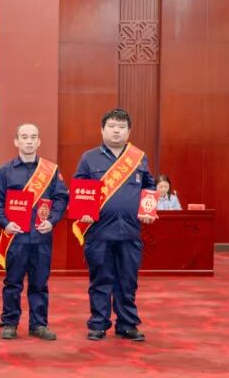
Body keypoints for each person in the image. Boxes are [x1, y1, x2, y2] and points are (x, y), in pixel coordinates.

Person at [73, 107, 157, 342]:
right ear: (102, 130)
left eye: (121, 127)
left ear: (128, 131)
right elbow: (79, 188)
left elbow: (149, 186)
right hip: (99, 232)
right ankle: (98, 324)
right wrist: (82, 212)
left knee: (127, 281)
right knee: (100, 280)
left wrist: (148, 209)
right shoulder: (89, 158)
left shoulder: (139, 158)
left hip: (129, 232)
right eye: (111, 126)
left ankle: (127, 324)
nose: (116, 131)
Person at [0, 123, 69, 341]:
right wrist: (5, 223)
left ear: (39, 141)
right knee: (12, 283)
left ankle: (38, 324)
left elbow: (61, 198)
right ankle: (9, 323)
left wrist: (52, 221)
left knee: (39, 283)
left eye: (33, 137)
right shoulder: (5, 171)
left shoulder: (50, 171)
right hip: (15, 237)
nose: (29, 141)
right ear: (16, 141)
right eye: (24, 137)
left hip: (41, 236)